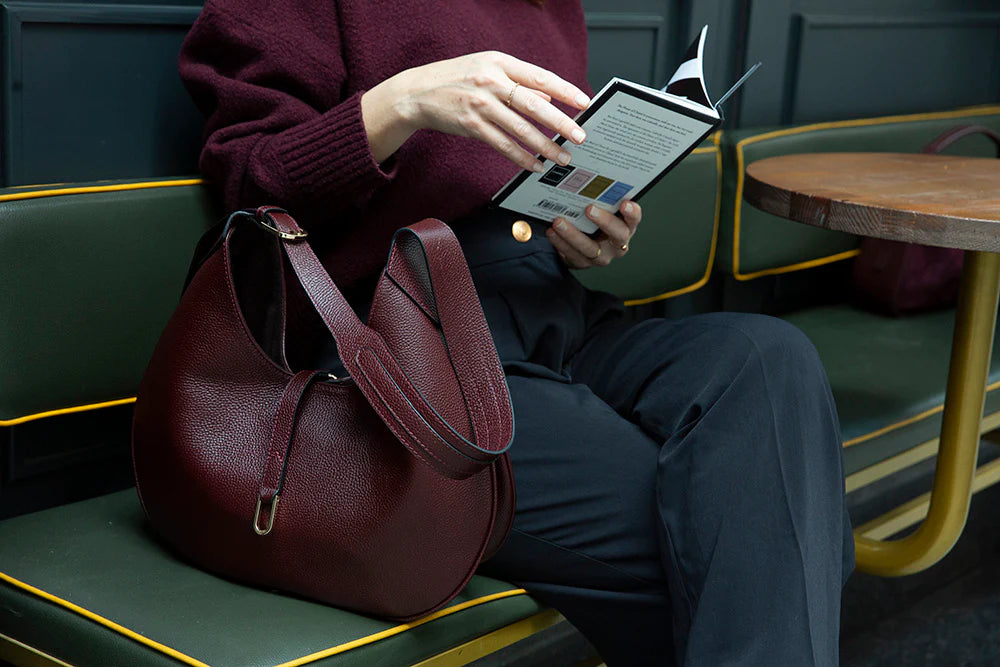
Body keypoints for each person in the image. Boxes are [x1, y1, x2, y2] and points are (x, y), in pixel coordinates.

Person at [178, 1, 854, 664]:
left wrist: (584, 232)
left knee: (769, 356)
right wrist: (403, 102)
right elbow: (249, 180)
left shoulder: (552, 8)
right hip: (396, 348)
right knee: (751, 530)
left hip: (553, 311)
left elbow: (521, 185)